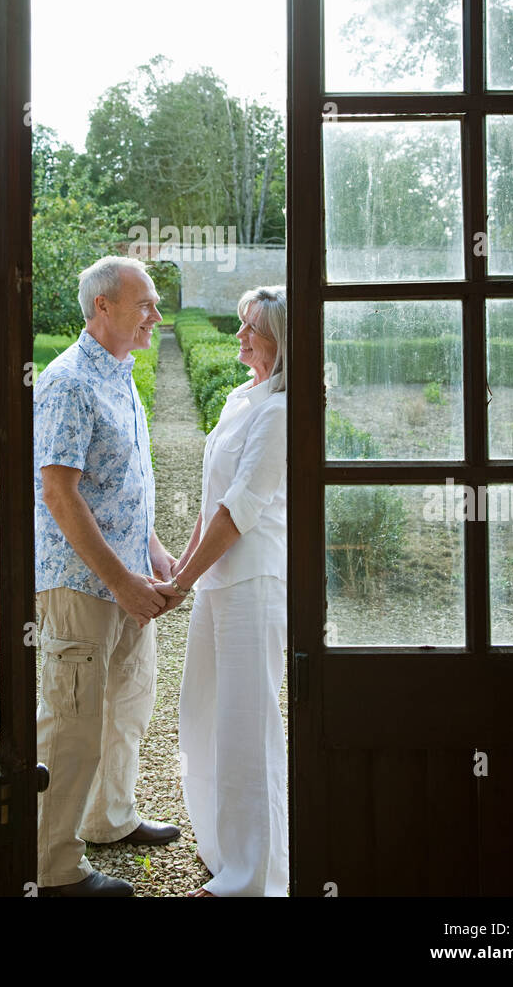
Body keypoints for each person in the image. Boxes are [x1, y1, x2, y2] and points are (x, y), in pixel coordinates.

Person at [33, 255, 181, 898]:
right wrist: (122, 580)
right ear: (104, 307)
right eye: (145, 303)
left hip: (126, 578)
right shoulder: (69, 382)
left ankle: (109, 820)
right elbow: (60, 494)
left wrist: (151, 551)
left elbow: (122, 482)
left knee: (126, 706)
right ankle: (51, 868)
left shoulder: (119, 372)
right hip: (82, 584)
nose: (155, 314)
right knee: (70, 726)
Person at [154, 286, 288, 898]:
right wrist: (180, 573)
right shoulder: (242, 397)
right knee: (201, 713)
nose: (239, 337)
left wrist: (179, 581)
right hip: (216, 582)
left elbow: (237, 514)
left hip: (254, 581)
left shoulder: (281, 411)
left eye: (251, 329)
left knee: (247, 728)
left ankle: (252, 878)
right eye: (241, 325)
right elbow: (211, 507)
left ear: (280, 342)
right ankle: (220, 849)